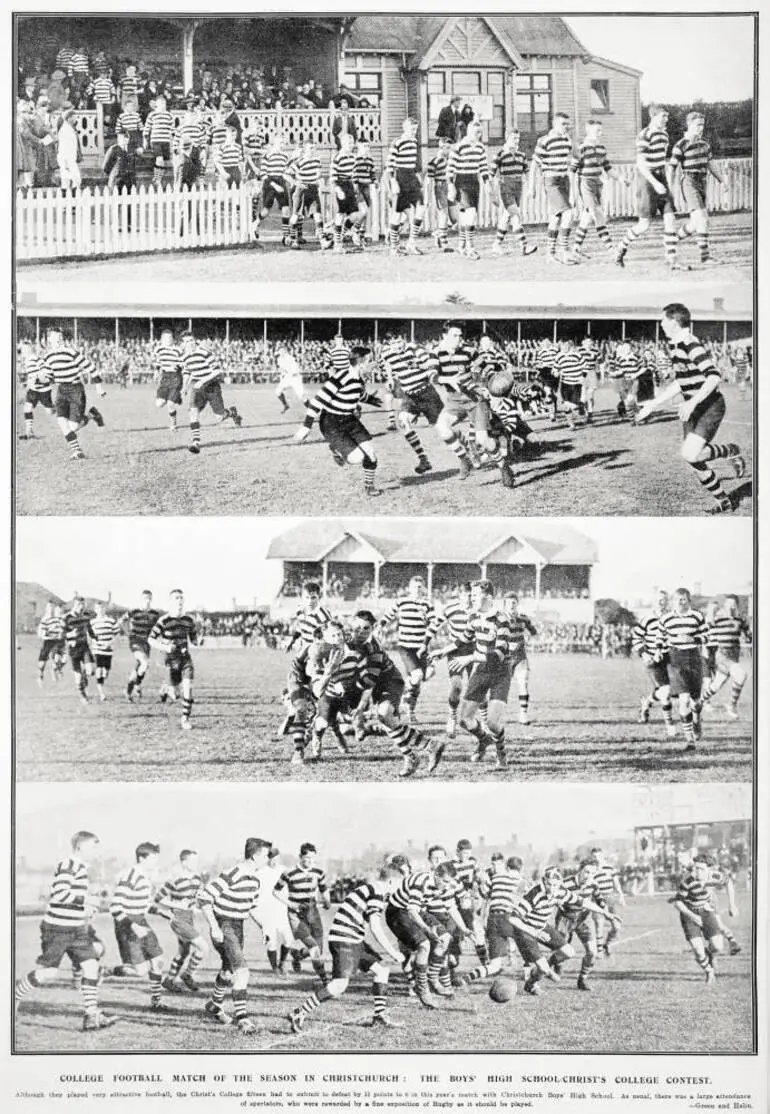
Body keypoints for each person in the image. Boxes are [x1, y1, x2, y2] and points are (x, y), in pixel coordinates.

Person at [635, 303, 745, 514]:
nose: (661, 324)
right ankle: (724, 501)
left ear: (674, 322)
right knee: (692, 458)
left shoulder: (690, 344)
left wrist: (692, 402)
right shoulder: (676, 345)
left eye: (664, 320)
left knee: (691, 454)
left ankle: (730, 450)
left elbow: (713, 377)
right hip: (692, 408)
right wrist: (653, 404)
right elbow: (681, 383)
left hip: (709, 406)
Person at [15, 830, 117, 1031]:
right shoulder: (69, 864)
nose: (96, 851)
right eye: (93, 846)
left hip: (77, 929)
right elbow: (60, 894)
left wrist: (88, 908)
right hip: (58, 929)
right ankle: (13, 998)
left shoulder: (83, 867)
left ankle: (91, 1016)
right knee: (48, 973)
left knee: (90, 967)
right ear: (81, 846)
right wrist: (86, 900)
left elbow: (74, 898)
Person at [288, 863, 404, 1033]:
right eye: (399, 884)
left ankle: (379, 1017)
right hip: (345, 941)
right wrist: (393, 952)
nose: (398, 889)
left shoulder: (369, 888)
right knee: (339, 985)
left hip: (353, 940)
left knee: (382, 971)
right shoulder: (377, 893)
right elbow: (375, 927)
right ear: (392, 882)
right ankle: (299, 1012)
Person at [199, 836, 273, 1033]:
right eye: (266, 855)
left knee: (229, 971)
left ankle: (214, 1005)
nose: (269, 859)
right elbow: (205, 897)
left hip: (238, 926)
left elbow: (252, 907)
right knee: (242, 971)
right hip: (225, 925)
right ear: (255, 856)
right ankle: (243, 1019)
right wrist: (214, 927)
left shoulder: (255, 879)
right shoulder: (235, 872)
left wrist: (264, 927)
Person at [293, 343, 384, 497]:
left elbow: (359, 395)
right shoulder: (341, 376)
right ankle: (335, 448)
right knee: (357, 458)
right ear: (361, 362)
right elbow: (317, 401)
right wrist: (306, 427)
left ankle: (369, 487)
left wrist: (373, 401)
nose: (373, 365)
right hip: (331, 422)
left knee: (371, 453)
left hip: (350, 420)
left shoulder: (359, 379)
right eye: (370, 361)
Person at [615, 105, 681, 270]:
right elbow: (641, 163)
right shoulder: (645, 134)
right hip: (647, 180)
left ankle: (672, 260)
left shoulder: (664, 135)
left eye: (667, 116)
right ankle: (621, 248)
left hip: (661, 178)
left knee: (670, 219)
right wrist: (655, 182)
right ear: (653, 116)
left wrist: (664, 180)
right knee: (644, 224)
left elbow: (661, 159)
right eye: (663, 116)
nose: (666, 119)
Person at [110, 842, 167, 1012]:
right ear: (142, 858)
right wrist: (133, 926)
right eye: (152, 859)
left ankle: (156, 1002)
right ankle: (106, 971)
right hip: (127, 924)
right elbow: (115, 907)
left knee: (158, 961)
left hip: (141, 921)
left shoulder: (145, 876)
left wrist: (162, 912)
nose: (155, 863)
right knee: (141, 971)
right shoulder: (131, 875)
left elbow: (143, 904)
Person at [379, 577, 440, 723]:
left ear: (423, 588)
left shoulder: (427, 604)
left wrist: (427, 637)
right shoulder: (401, 602)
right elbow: (388, 615)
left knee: (416, 683)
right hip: (405, 646)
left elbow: (434, 623)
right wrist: (380, 625)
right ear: (409, 588)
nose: (417, 589)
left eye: (420, 587)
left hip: (421, 648)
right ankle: (402, 692)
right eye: (415, 587)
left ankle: (410, 712)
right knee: (417, 675)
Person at [40, 326, 105, 460]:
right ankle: (78, 452)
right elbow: (46, 376)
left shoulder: (70, 352)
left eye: (60, 337)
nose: (59, 340)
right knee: (62, 424)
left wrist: (99, 387)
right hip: (61, 391)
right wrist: (41, 376)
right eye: (55, 338)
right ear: (49, 340)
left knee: (73, 426)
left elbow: (90, 367)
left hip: (75, 390)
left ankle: (92, 415)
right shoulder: (47, 357)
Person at [656, 587, 708, 751]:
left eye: (683, 599)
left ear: (689, 600)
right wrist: (658, 651)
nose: (680, 602)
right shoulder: (666, 619)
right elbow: (660, 637)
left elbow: (707, 636)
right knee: (684, 699)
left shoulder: (697, 616)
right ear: (673, 601)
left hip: (693, 659)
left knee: (696, 701)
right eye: (677, 599)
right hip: (676, 659)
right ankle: (690, 740)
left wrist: (693, 638)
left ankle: (697, 720)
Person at [669, 111, 725, 265]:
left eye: (702, 125)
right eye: (697, 125)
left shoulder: (705, 144)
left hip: (703, 181)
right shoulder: (681, 145)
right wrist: (670, 188)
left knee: (695, 223)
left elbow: (711, 163)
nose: (701, 128)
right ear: (689, 125)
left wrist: (722, 180)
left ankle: (671, 239)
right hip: (689, 181)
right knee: (702, 219)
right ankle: (705, 257)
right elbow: (672, 168)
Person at [273, 843, 331, 983]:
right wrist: (290, 904)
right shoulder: (289, 873)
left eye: (313, 858)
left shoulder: (319, 872)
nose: (310, 861)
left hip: (312, 911)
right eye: (307, 858)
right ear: (300, 857)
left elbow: (323, 889)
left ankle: (298, 955)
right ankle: (324, 979)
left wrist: (327, 900)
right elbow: (276, 891)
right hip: (296, 914)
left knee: (319, 949)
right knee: (313, 947)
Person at [180, 330, 243, 455]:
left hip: (212, 386)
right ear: (183, 344)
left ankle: (232, 413)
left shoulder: (205, 353)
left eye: (191, 340)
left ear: (195, 340)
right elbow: (187, 372)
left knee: (220, 417)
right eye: (186, 342)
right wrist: (184, 387)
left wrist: (202, 381)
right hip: (198, 388)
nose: (189, 344)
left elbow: (217, 372)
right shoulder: (184, 357)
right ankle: (196, 443)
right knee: (193, 412)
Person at [154, 849, 207, 993]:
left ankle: (169, 981)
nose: (196, 864)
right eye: (193, 861)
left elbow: (198, 897)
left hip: (191, 917)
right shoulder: (174, 879)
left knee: (184, 952)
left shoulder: (197, 878)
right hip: (178, 918)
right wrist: (178, 905)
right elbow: (158, 898)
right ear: (184, 862)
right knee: (203, 947)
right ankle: (187, 975)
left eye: (197, 861)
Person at [571, 119, 626, 257]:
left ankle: (576, 248)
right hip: (585, 184)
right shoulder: (580, 149)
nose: (600, 134)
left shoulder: (601, 148)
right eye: (597, 131)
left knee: (587, 217)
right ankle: (611, 248)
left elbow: (608, 168)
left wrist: (620, 178)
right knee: (597, 214)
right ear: (588, 131)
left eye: (601, 130)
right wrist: (572, 194)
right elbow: (571, 172)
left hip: (598, 184)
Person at [530, 112, 577, 265]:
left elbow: (570, 162)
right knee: (568, 214)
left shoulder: (567, 140)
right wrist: (532, 187)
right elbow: (534, 164)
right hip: (551, 181)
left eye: (567, 124)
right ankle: (564, 251)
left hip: (564, 180)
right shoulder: (545, 140)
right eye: (563, 124)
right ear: (555, 124)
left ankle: (550, 254)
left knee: (556, 217)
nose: (566, 127)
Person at [149, 588, 199, 731]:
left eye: (181, 598)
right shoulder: (164, 620)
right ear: (170, 602)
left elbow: (194, 638)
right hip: (169, 661)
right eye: (176, 598)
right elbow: (151, 639)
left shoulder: (189, 620)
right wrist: (164, 647)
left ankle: (185, 719)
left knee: (188, 688)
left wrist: (198, 641)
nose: (179, 601)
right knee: (175, 695)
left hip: (184, 659)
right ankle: (166, 687)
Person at [671, 855, 724, 983]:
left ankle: (709, 953)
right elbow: (677, 902)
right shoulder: (688, 881)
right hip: (689, 914)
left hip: (706, 911)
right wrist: (692, 916)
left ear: (709, 870)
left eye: (700, 869)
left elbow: (728, 883)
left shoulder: (716, 876)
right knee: (698, 951)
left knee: (718, 947)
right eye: (695, 868)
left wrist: (732, 904)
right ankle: (709, 971)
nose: (696, 871)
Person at [631, 589, 677, 737]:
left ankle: (646, 702)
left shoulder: (673, 618)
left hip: (669, 659)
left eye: (663, 599)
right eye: (658, 599)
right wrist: (644, 654)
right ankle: (670, 725)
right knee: (666, 692)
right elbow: (636, 637)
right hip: (652, 660)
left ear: (668, 601)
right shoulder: (647, 619)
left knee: (668, 691)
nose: (660, 602)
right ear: (653, 601)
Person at [701, 594, 752, 719]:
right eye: (728, 604)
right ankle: (731, 705)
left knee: (716, 685)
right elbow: (704, 630)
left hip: (734, 656)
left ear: (737, 606)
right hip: (722, 656)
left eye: (733, 604)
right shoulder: (718, 619)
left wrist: (749, 634)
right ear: (725, 605)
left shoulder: (740, 620)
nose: (731, 607)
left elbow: (749, 635)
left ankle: (699, 701)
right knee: (741, 675)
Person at [447, 119, 490, 259]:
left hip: (474, 182)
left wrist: (487, 184)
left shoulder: (480, 147)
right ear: (469, 131)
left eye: (480, 133)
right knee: (469, 214)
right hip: (462, 182)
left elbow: (483, 167)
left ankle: (461, 246)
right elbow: (450, 169)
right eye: (476, 132)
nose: (478, 135)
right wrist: (451, 186)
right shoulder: (459, 147)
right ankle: (470, 248)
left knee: (467, 216)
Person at [492, 129, 536, 257]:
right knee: (515, 214)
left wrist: (529, 188)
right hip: (506, 187)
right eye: (513, 138)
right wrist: (493, 192)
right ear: (507, 138)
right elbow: (491, 174)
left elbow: (526, 171)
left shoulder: (521, 155)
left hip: (518, 187)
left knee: (507, 216)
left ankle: (496, 244)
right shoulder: (499, 154)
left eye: (518, 138)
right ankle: (524, 245)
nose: (516, 141)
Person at [385, 117, 425, 256]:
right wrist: (393, 181)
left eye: (416, 129)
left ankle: (411, 243)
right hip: (400, 177)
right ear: (405, 128)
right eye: (412, 129)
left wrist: (419, 179)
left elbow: (415, 164)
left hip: (411, 178)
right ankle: (394, 247)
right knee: (397, 213)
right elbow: (389, 165)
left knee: (421, 208)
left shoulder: (414, 142)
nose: (414, 132)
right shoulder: (397, 142)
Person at [124, 590, 161, 702]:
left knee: (141, 667)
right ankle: (134, 686)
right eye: (145, 598)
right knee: (144, 663)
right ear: (141, 599)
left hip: (147, 643)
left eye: (149, 598)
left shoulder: (154, 614)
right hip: (135, 641)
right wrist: (128, 632)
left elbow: (158, 628)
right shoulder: (133, 612)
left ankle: (132, 688)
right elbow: (122, 621)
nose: (147, 601)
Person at [153, 328, 184, 431]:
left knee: (170, 404)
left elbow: (184, 364)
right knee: (159, 404)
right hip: (165, 377)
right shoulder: (158, 349)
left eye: (170, 339)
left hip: (176, 376)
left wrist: (178, 366)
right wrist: (156, 372)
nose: (168, 341)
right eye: (165, 339)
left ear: (173, 339)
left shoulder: (178, 350)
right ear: (162, 340)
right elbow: (157, 363)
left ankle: (173, 424)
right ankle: (175, 397)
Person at [90, 600, 120, 702]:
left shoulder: (111, 621)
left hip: (108, 650)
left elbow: (117, 634)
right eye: (98, 608)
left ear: (105, 609)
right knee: (99, 670)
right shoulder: (92, 622)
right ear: (95, 610)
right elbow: (90, 635)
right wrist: (95, 641)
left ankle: (101, 681)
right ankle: (102, 693)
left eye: (102, 608)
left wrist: (110, 643)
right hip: (97, 650)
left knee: (105, 671)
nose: (100, 610)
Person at [37, 601, 66, 684]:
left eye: (52, 607)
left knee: (61, 659)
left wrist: (61, 633)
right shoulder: (45, 619)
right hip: (48, 642)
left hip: (57, 642)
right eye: (49, 607)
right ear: (46, 608)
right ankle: (40, 676)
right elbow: (40, 633)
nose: (51, 609)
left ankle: (56, 670)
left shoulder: (57, 618)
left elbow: (62, 629)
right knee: (42, 663)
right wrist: (46, 634)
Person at [56, 106, 81, 191]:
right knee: (73, 178)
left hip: (70, 158)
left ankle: (70, 197)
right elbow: (63, 147)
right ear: (69, 118)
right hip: (66, 158)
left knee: (69, 179)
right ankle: (69, 196)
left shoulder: (69, 128)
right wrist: (66, 162)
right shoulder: (65, 130)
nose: (75, 119)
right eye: (74, 117)